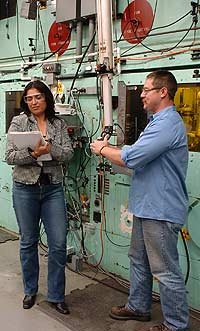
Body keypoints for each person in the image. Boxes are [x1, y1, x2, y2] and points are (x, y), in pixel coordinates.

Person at [90, 70, 189, 331]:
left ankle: (176, 325)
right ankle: (138, 306)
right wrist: (115, 151)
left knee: (165, 270)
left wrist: (103, 149)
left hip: (161, 209)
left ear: (163, 92)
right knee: (138, 259)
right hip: (146, 206)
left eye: (146, 90)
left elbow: (132, 158)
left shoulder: (168, 124)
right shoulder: (156, 122)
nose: (142, 94)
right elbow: (135, 153)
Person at [6, 80, 74, 314]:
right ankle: (30, 290)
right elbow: (10, 156)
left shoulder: (58, 123)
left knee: (58, 243)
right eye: (29, 98)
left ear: (47, 98)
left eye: (38, 97)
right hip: (25, 188)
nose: (33, 102)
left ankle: (56, 295)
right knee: (28, 241)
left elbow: (68, 154)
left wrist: (50, 149)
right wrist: (33, 154)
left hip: (52, 189)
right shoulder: (19, 122)